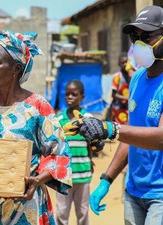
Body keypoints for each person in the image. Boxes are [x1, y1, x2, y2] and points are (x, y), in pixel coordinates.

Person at [64, 6, 163, 225]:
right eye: (134, 37)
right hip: (134, 191)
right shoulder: (138, 79)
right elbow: (132, 133)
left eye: (147, 37)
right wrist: (106, 179)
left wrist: (110, 129)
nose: (139, 43)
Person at [0, 30, 72, 224]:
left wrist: (36, 181)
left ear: (16, 69)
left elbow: (59, 155)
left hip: (24, 210)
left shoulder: (37, 106)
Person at [55, 80, 94, 225]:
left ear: (82, 97)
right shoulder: (59, 119)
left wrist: (90, 162)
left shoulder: (88, 118)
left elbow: (90, 144)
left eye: (74, 94)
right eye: (67, 94)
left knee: (83, 212)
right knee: (61, 213)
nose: (69, 97)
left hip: (83, 173)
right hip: (63, 175)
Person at [109, 53, 130, 124]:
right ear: (119, 64)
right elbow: (114, 94)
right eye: (122, 63)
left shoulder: (132, 75)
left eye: (126, 62)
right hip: (118, 108)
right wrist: (127, 98)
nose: (125, 64)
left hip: (128, 107)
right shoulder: (117, 77)